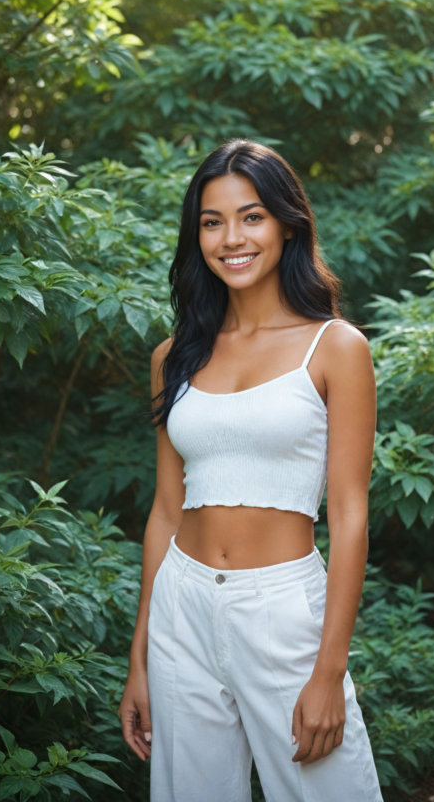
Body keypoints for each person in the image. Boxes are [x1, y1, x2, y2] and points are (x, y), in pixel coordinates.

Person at [119, 139, 383, 802]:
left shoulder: (335, 347)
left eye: (251, 216)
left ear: (287, 223)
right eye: (212, 222)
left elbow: (349, 516)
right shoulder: (173, 355)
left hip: (283, 611)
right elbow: (166, 511)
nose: (231, 238)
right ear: (196, 235)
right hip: (181, 608)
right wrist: (140, 659)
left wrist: (328, 669)